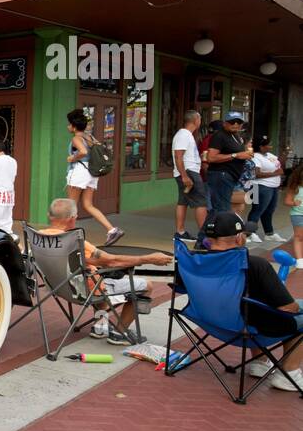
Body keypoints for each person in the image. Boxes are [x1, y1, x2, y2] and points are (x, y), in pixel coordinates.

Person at [193, 212, 303, 391]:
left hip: (209, 320)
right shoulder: (255, 264)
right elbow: (287, 307)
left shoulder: (195, 261)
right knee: (294, 310)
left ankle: (259, 363)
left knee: (252, 301)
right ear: (239, 238)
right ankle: (289, 373)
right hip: (246, 326)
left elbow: (180, 289)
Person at [42, 197, 171, 345]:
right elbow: (112, 261)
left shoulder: (38, 237)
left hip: (58, 287)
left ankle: (100, 325)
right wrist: (149, 259)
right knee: (146, 285)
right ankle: (120, 333)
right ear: (72, 219)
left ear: (49, 215)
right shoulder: (75, 241)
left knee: (95, 272)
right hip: (83, 290)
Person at [65, 109, 123, 246]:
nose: (68, 127)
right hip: (91, 173)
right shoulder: (90, 137)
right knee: (88, 205)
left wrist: (72, 158)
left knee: (71, 206)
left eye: (69, 124)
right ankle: (112, 229)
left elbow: (83, 151)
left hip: (79, 171)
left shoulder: (76, 138)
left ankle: (69, 236)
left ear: (74, 126)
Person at [205, 112, 251, 215]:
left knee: (227, 207)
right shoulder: (219, 136)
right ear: (225, 123)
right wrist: (236, 155)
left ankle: (209, 230)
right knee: (222, 209)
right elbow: (211, 157)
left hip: (232, 177)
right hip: (221, 175)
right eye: (232, 122)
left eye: (239, 122)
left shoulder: (236, 136)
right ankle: (221, 230)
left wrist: (245, 154)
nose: (235, 124)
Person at [171, 110, 206, 239]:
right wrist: (185, 176)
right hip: (188, 172)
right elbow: (178, 156)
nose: (200, 122)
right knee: (201, 203)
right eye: (200, 119)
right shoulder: (184, 135)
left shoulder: (186, 135)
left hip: (186, 171)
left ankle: (180, 232)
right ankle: (204, 236)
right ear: (196, 120)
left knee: (183, 202)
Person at [247, 134, 283, 244]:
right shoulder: (255, 156)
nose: (271, 146)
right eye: (269, 145)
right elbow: (256, 174)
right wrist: (274, 173)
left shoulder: (270, 155)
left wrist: (285, 154)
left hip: (273, 187)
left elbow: (279, 166)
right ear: (261, 147)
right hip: (258, 187)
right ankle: (250, 233)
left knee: (269, 211)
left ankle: (269, 233)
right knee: (257, 209)